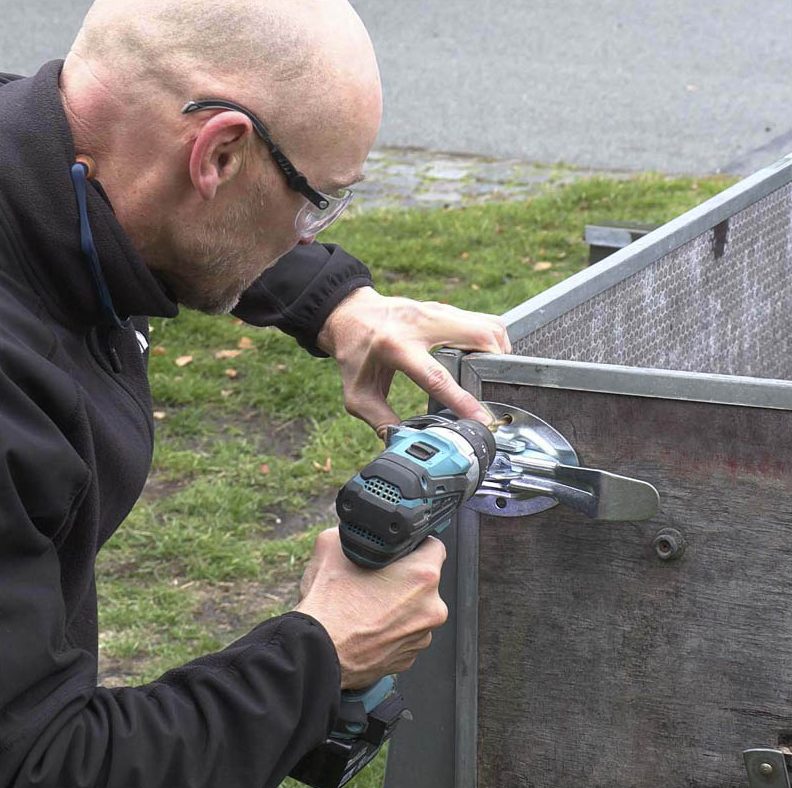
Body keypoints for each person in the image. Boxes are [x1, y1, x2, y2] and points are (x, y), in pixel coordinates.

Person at [0, 0, 510, 785]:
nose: (310, 231)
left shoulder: (39, 156)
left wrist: (337, 301)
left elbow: (153, 214)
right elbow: (39, 763)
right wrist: (317, 657)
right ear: (219, 155)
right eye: (315, 199)